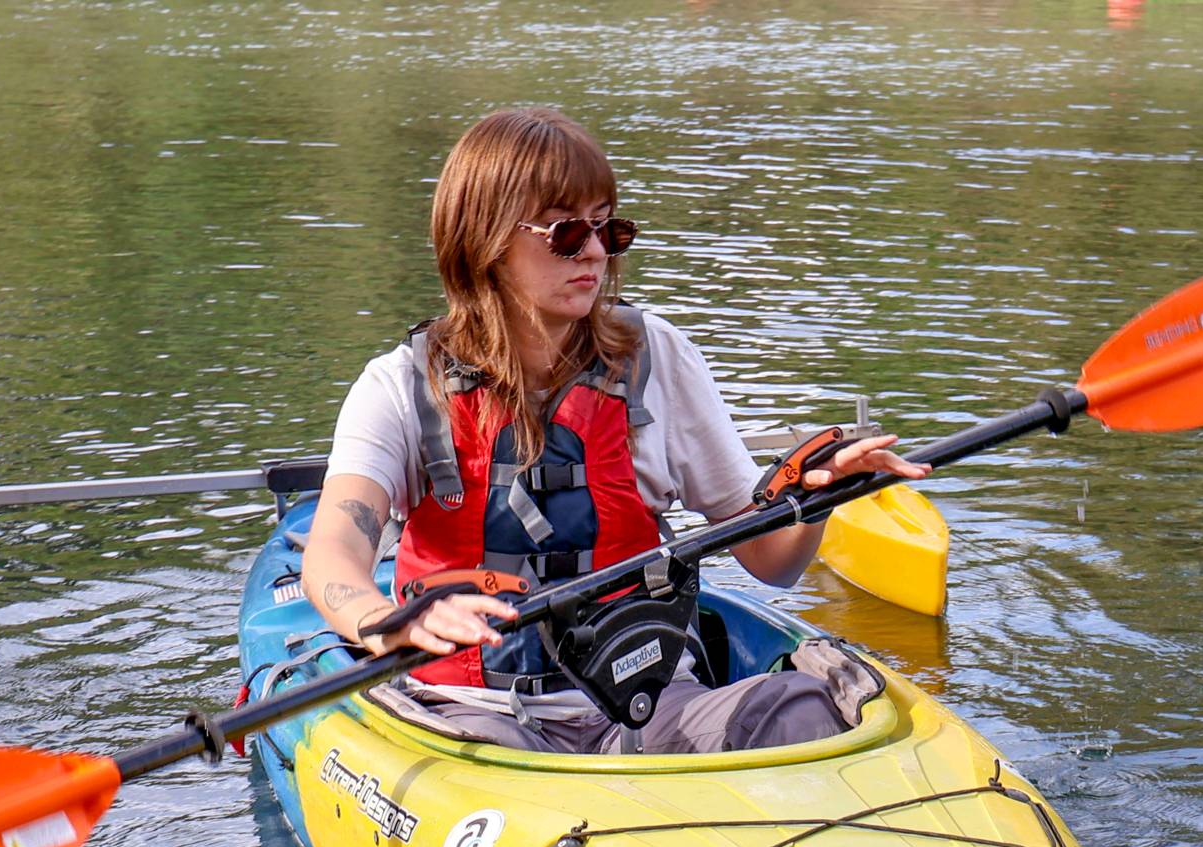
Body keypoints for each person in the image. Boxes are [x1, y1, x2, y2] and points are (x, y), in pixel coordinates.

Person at [302, 106, 927, 753]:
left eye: (608, 230)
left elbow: (771, 563)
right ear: (483, 239)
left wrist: (815, 496)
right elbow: (332, 555)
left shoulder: (657, 358)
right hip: (466, 715)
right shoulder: (401, 385)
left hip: (647, 708)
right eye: (566, 233)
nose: (595, 253)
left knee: (803, 708)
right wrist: (383, 621)